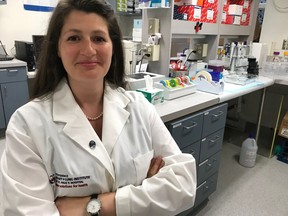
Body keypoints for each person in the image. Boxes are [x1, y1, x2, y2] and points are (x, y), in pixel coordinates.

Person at [1, 0, 197, 215]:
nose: (88, 49)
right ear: (58, 47)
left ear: (112, 47)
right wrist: (145, 191)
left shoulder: (139, 107)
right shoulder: (27, 125)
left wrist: (92, 207)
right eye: (74, 38)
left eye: (98, 38)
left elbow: (183, 185)